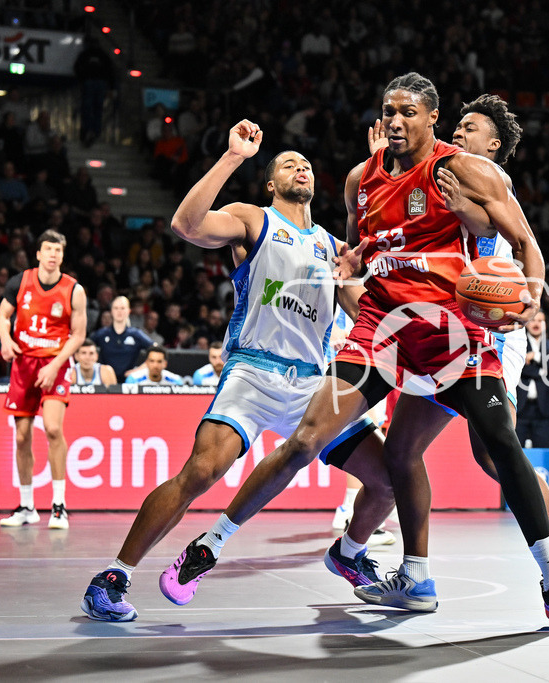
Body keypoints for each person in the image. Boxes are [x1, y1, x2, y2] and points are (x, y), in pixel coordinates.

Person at [172, 75, 549, 631]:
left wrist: (530, 295)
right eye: (388, 111)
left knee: (498, 445)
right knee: (309, 437)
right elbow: (361, 245)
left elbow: (525, 243)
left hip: (454, 336)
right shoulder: (361, 179)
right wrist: (352, 261)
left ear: (432, 118)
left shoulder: (468, 170)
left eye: (408, 112)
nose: (396, 121)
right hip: (380, 333)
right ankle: (213, 543)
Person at [80, 121, 394, 622]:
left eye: (306, 164)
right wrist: (231, 158)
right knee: (200, 472)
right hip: (254, 370)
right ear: (271, 183)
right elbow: (185, 225)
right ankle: (113, 576)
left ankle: (349, 554)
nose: (301, 167)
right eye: (289, 163)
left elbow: (368, 316)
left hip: (313, 384)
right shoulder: (254, 218)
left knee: (389, 480)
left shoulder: (333, 248)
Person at [360, 93, 549, 608]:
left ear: (493, 145)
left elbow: (505, 238)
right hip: (443, 332)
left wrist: (464, 210)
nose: (460, 134)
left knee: (495, 453)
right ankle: (414, 576)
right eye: (459, 126)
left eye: (470, 128)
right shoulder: (444, 174)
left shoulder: (486, 179)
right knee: (402, 451)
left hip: (491, 329)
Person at [0, 230, 87, 530]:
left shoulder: (74, 290)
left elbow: (79, 336)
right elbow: (1, 316)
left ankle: (58, 506)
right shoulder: (19, 282)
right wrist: (5, 340)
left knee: (52, 428)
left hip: (56, 364)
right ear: (38, 254)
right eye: (48, 249)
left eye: (58, 250)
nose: (52, 255)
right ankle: (26, 507)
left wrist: (55, 364)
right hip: (24, 364)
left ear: (62, 255)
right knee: (21, 436)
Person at [516, 311, 549, 448]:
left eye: (540, 321)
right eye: (533, 320)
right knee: (516, 450)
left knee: (542, 448)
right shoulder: (519, 344)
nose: (536, 324)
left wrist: (536, 357)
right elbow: (520, 368)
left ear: (545, 324)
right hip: (520, 408)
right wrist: (543, 370)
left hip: (543, 409)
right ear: (526, 323)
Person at [91, 295, 153, 382]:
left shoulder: (136, 334)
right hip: (105, 382)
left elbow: (156, 350)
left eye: (123, 308)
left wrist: (138, 370)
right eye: (116, 308)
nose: (119, 311)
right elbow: (85, 346)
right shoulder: (102, 334)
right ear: (111, 311)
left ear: (129, 311)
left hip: (131, 382)